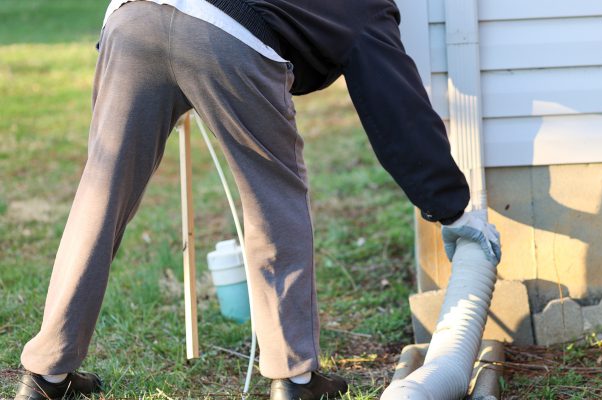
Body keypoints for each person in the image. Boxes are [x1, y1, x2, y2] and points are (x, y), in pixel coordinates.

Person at [13, 0, 501, 399]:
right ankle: (294, 377)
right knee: (273, 197)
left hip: (132, 18)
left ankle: (46, 375)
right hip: (224, 33)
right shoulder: (365, 7)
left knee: (101, 194)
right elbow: (400, 115)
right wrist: (451, 207)